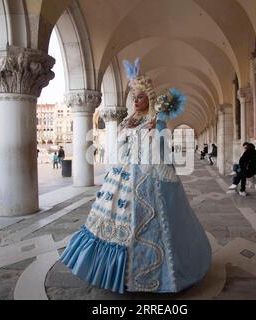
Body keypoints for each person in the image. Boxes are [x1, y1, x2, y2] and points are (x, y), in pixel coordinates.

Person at [60, 58, 212, 294]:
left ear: (149, 99)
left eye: (140, 96)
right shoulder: (128, 119)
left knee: (154, 223)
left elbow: (161, 150)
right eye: (134, 96)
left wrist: (154, 134)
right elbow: (119, 149)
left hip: (147, 174)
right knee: (112, 222)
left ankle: (153, 274)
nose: (136, 100)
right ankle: (115, 273)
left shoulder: (156, 120)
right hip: (123, 174)